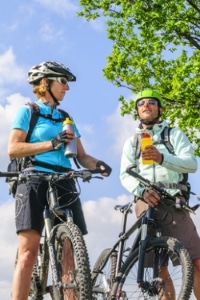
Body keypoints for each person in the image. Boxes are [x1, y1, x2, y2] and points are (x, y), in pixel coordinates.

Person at [7, 61, 112, 300]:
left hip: (64, 179)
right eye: (63, 82)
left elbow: (82, 156)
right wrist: (52, 143)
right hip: (34, 178)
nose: (67, 88)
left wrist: (99, 165)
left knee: (69, 252)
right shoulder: (28, 112)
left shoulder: (66, 117)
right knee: (28, 252)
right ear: (46, 82)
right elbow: (13, 149)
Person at [120, 88, 200, 299]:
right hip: (146, 202)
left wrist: (162, 158)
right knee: (159, 268)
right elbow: (125, 174)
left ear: (160, 108)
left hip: (174, 201)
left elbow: (191, 164)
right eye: (141, 103)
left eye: (151, 102)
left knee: (197, 260)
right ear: (137, 110)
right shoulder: (132, 142)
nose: (146, 105)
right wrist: (141, 190)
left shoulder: (174, 135)